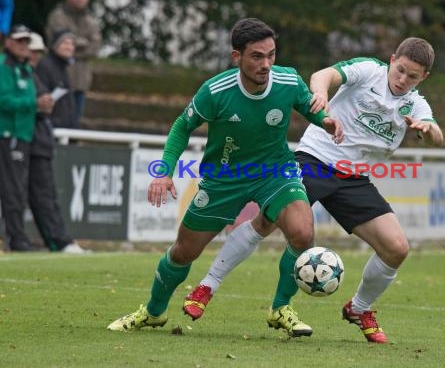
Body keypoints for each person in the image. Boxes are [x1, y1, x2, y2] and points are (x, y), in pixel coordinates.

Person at [185, 37, 444, 343]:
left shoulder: (415, 103)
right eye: (400, 70)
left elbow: (436, 135)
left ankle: (360, 308)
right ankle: (208, 286)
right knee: (265, 223)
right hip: (315, 159)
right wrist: (320, 96)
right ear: (392, 59)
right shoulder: (368, 70)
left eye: (412, 76)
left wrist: (428, 130)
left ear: (423, 77)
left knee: (396, 248)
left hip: (354, 178)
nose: (402, 80)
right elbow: (323, 75)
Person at [107, 18, 343, 333]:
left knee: (302, 233)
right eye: (257, 56)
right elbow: (182, 125)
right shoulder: (216, 90)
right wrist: (164, 172)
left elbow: (310, 108)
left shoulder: (287, 81)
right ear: (237, 57)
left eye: (271, 55)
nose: (266, 64)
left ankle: (281, 308)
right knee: (183, 252)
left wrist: (326, 120)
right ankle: (153, 312)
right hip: (224, 177)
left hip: (275, 171)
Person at [28, 31, 89, 254]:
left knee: (44, 194)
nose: (34, 57)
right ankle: (55, 241)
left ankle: (57, 241)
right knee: (38, 195)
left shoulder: (52, 69)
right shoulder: (42, 68)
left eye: (36, 52)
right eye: (31, 52)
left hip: (41, 137)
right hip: (32, 137)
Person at [0, 25, 41, 251]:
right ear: (8, 43)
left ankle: (16, 237)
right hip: (8, 135)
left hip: (22, 135)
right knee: (12, 189)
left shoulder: (24, 68)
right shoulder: (4, 66)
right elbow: (4, 100)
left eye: (27, 42)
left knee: (16, 189)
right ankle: (16, 238)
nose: (24, 46)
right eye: (19, 41)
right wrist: (35, 104)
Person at [45, 0, 101, 125]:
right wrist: (82, 43)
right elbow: (56, 43)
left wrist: (73, 44)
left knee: (75, 123)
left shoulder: (91, 19)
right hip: (58, 80)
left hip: (81, 80)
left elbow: (95, 47)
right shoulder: (57, 16)